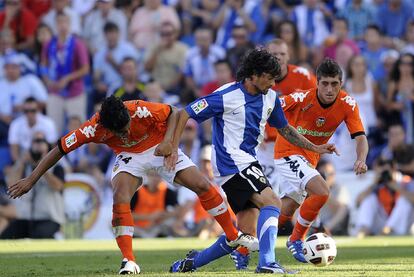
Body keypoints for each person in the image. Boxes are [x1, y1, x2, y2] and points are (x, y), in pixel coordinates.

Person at [8, 96, 257, 275]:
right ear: (105, 128)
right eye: (121, 130)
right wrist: (31, 179)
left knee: (202, 184)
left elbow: (174, 113)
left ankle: (233, 237)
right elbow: (60, 148)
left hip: (160, 145)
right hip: (130, 157)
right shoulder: (91, 128)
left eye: (127, 124)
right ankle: (129, 261)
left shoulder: (139, 109)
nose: (127, 130)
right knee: (120, 195)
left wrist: (171, 143)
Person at [169, 48, 336, 274]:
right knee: (273, 203)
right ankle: (267, 263)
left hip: (247, 161)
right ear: (253, 75)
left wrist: (315, 147)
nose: (273, 83)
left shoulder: (270, 97)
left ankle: (190, 264)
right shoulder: (226, 96)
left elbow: (284, 129)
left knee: (243, 236)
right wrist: (172, 148)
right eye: (268, 77)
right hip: (232, 162)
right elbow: (184, 113)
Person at [274, 58, 368, 263]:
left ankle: (245, 246)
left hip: (309, 159)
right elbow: (271, 106)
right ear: (317, 83)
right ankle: (296, 239)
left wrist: (361, 159)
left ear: (340, 84)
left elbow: (360, 137)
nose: (329, 89)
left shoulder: (348, 104)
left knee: (286, 210)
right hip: (287, 152)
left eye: (334, 84)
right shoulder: (300, 98)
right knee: (322, 191)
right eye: (324, 83)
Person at [2, 132, 65, 239]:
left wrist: (41, 167)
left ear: (47, 146)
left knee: (39, 235)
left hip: (49, 217)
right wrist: (21, 161)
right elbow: (10, 184)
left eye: (41, 141)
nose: (38, 145)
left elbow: (58, 186)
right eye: (35, 142)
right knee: (6, 236)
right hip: (27, 217)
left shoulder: (57, 166)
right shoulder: (25, 164)